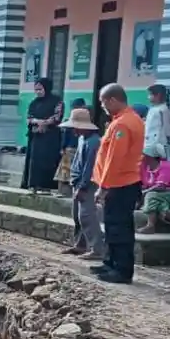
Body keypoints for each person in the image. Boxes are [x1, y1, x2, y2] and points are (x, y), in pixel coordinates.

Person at [92, 83, 145, 284]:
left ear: (112, 100)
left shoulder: (123, 124)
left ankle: (121, 270)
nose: (102, 106)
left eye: (103, 102)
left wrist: (103, 187)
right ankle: (110, 263)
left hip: (120, 182)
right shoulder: (127, 119)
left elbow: (115, 159)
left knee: (118, 227)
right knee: (114, 225)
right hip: (122, 182)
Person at [59, 107, 104, 261]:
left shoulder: (93, 142)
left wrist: (83, 187)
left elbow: (89, 167)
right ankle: (81, 244)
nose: (74, 131)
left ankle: (97, 248)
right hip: (78, 181)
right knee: (77, 216)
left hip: (87, 183)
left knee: (87, 216)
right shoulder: (82, 139)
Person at [21, 77, 64, 193]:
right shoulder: (34, 103)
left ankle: (47, 186)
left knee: (48, 161)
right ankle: (34, 185)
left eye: (40, 89)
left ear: (46, 88)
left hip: (51, 138)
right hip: (36, 136)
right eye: (36, 90)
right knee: (35, 161)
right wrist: (38, 122)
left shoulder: (57, 101)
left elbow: (57, 117)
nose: (38, 92)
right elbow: (29, 118)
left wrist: (45, 123)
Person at [139, 142, 170, 234]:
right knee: (161, 207)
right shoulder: (145, 168)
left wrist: (144, 192)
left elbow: (161, 186)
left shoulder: (166, 166)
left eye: (143, 154)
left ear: (150, 156)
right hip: (162, 197)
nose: (141, 156)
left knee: (151, 195)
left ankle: (150, 225)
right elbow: (143, 184)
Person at [55, 97, 87, 198]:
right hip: (76, 149)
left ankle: (62, 192)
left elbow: (65, 137)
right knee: (72, 171)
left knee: (65, 172)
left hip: (70, 149)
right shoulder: (85, 121)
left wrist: (62, 148)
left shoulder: (70, 121)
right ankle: (68, 192)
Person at [144, 83, 170, 158]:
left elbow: (167, 126)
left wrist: (168, 138)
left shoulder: (163, 109)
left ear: (158, 95)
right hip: (148, 142)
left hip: (158, 143)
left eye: (150, 94)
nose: (148, 97)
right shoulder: (152, 109)